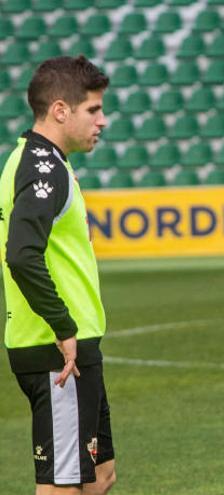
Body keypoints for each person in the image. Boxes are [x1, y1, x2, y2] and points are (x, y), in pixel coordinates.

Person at [0, 56, 116, 495]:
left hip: (74, 346)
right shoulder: (40, 168)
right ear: (61, 110)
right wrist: (63, 327)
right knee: (62, 487)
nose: (102, 120)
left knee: (99, 477)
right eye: (93, 110)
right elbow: (22, 256)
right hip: (55, 350)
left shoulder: (45, 161)